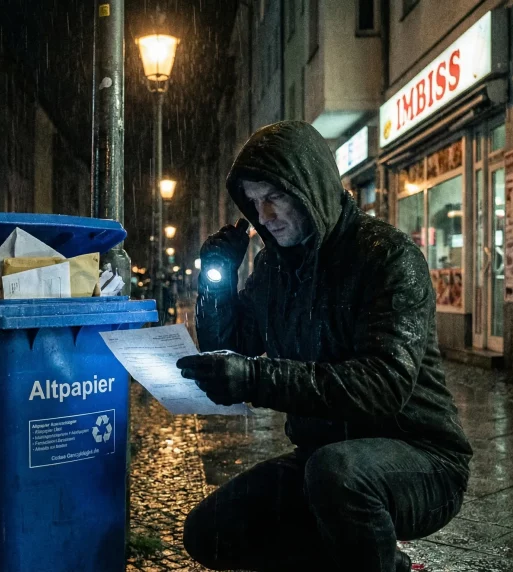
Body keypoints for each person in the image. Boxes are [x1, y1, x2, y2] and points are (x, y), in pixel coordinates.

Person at [177, 121, 472, 572]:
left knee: (338, 475)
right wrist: (216, 284)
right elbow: (229, 345)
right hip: (322, 459)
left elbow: (384, 385)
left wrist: (255, 378)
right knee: (210, 532)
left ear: (310, 187)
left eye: (275, 195)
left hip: (422, 457)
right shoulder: (275, 269)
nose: (265, 213)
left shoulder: (388, 257)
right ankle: (371, 557)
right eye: (254, 202)